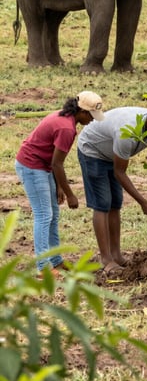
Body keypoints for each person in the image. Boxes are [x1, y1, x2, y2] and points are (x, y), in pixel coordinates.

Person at [77, 104, 147, 274]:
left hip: (112, 154)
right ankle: (106, 259)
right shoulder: (127, 132)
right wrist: (142, 202)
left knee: (115, 203)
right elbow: (119, 172)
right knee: (102, 203)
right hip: (92, 150)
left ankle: (116, 255)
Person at [15, 91, 105, 274]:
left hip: (43, 166)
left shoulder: (66, 118)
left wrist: (58, 188)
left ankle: (56, 261)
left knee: (53, 214)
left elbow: (54, 162)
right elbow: (57, 164)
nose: (92, 120)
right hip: (31, 166)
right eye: (91, 116)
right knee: (43, 215)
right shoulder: (66, 129)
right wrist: (70, 194)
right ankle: (43, 268)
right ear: (82, 112)